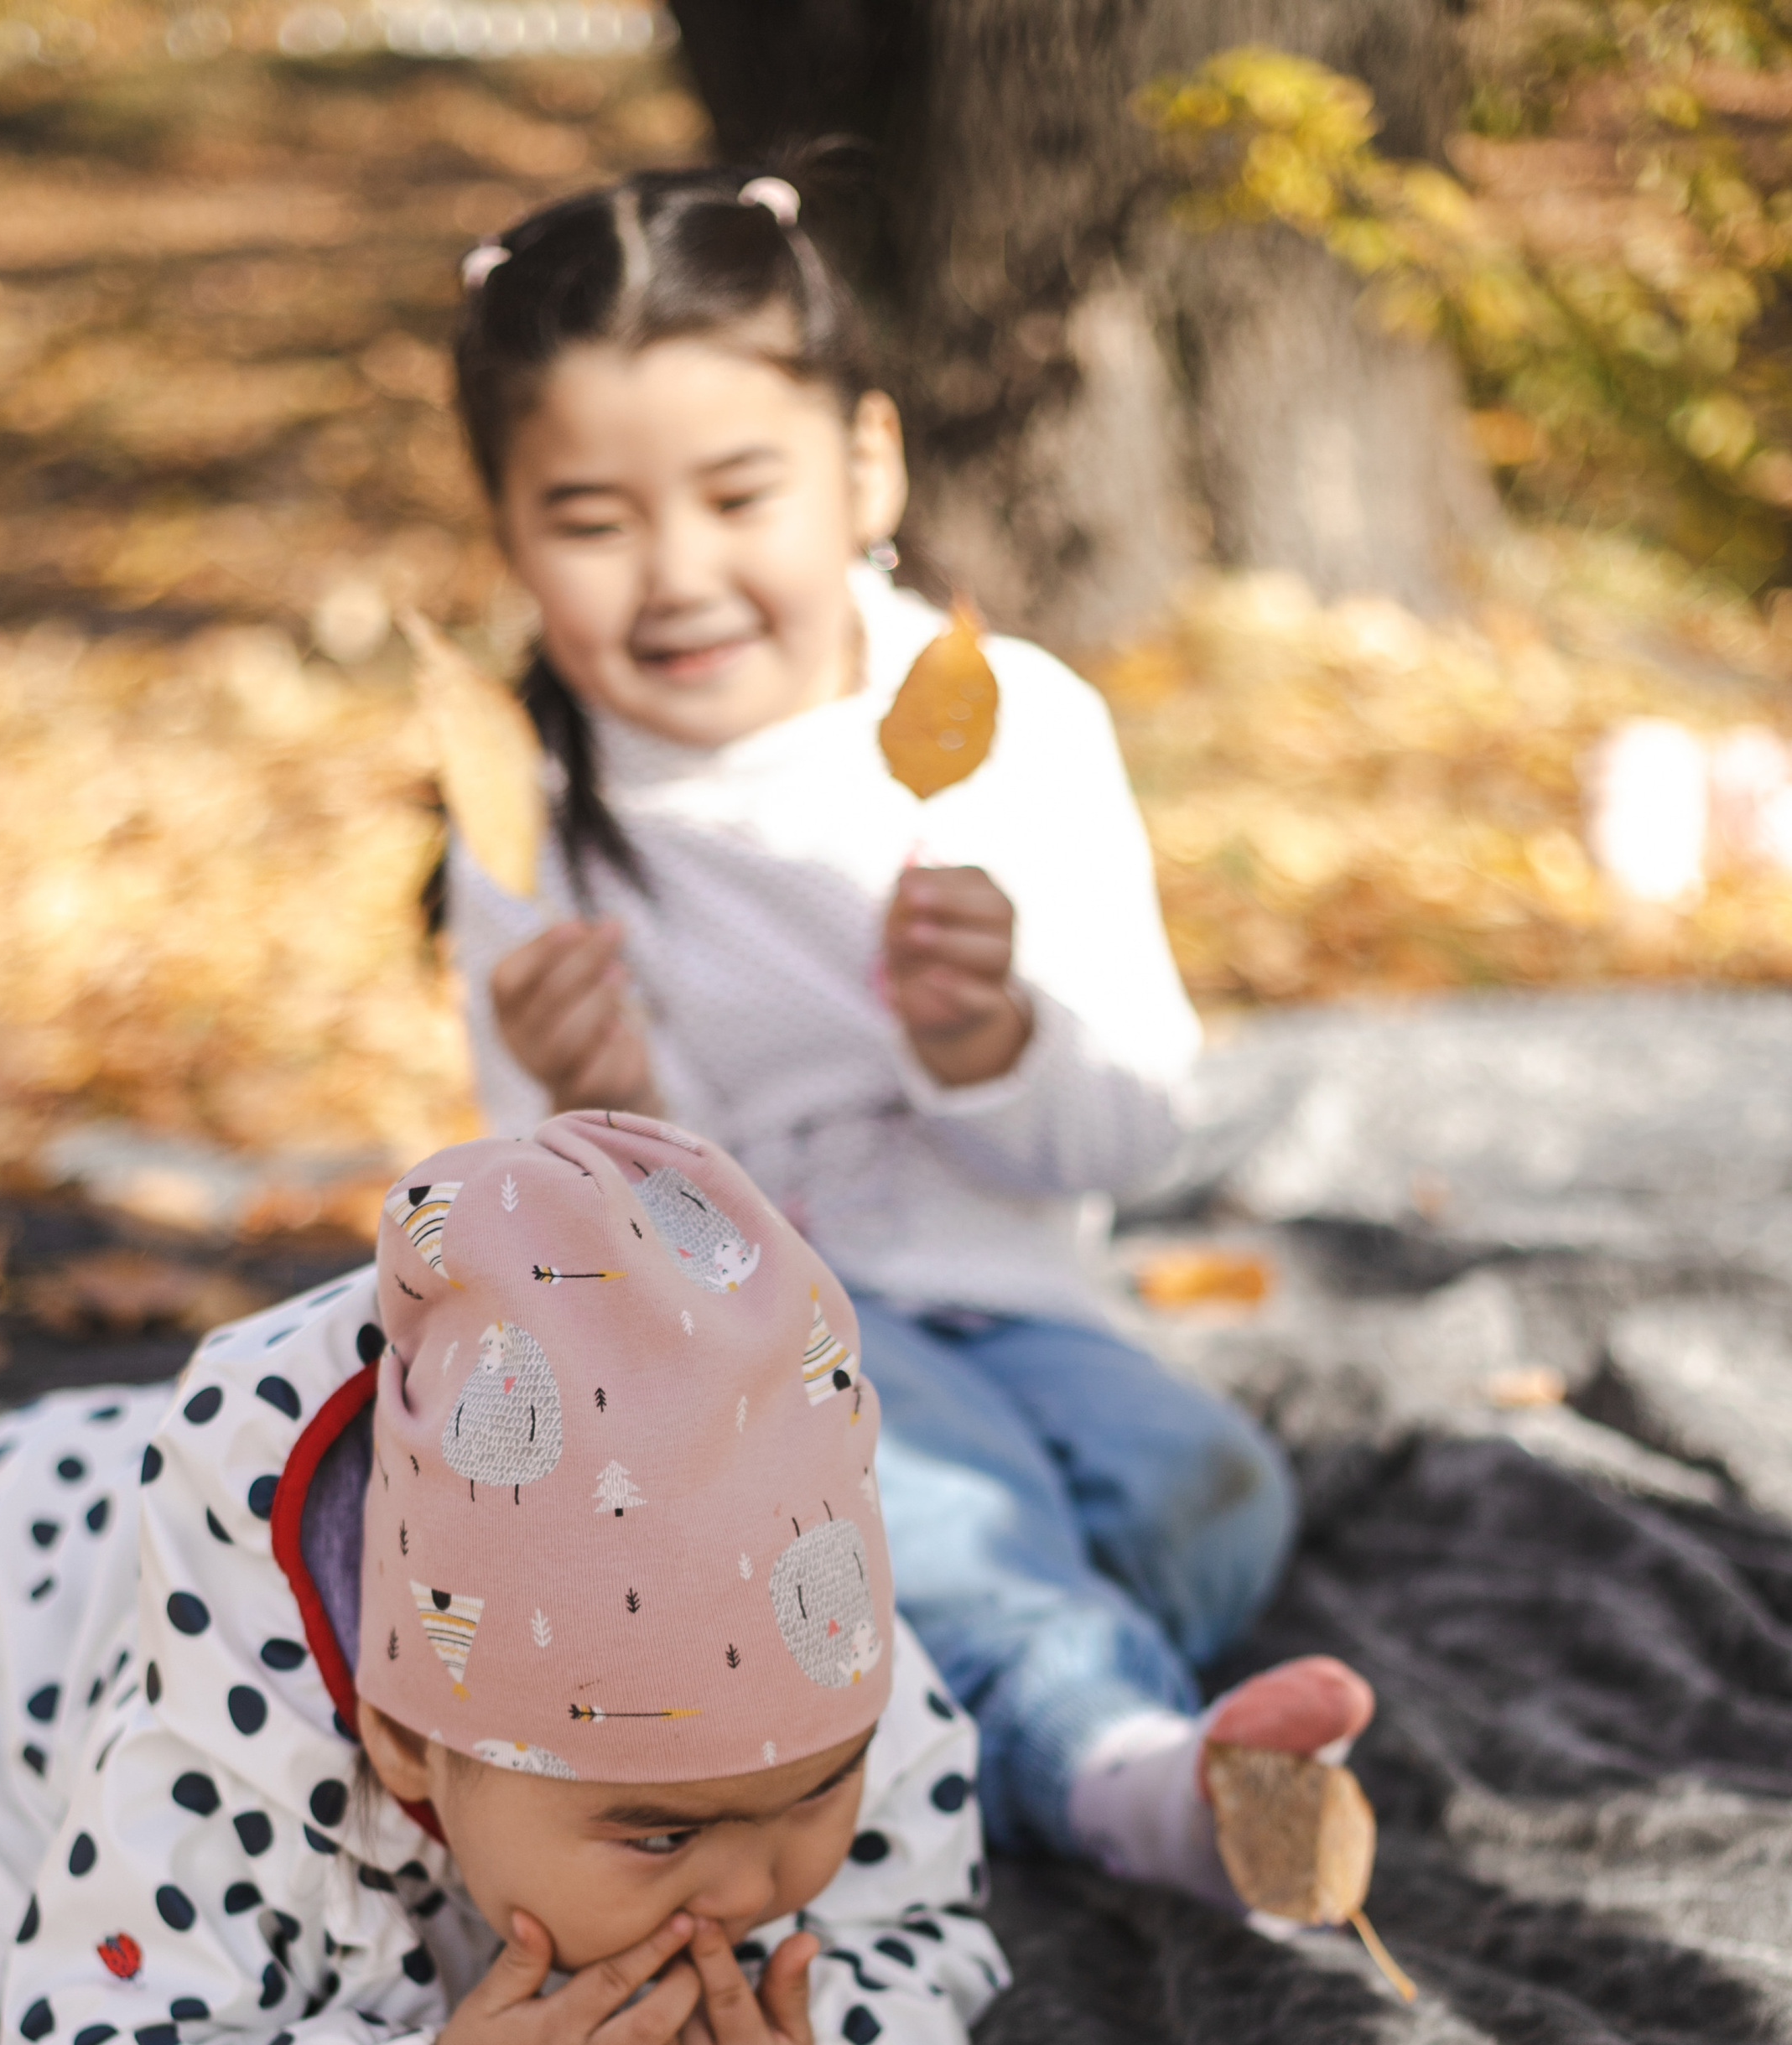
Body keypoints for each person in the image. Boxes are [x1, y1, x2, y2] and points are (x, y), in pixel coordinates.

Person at [442, 166, 1374, 1906]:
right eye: (588, 518)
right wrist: (600, 1116)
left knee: (1208, 1491)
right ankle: (1115, 1769)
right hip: (738, 1366)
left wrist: (994, 1042)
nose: (678, 574)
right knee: (917, 1487)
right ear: (505, 529)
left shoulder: (1007, 728)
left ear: (863, 465)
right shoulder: (529, 831)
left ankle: (869, 1690)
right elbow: (565, 1297)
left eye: (738, 493)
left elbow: (1126, 1139)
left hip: (1013, 1305)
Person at [0, 1116, 1008, 2045]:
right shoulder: (228, 1763)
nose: (756, 1888)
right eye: (661, 1835)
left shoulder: (800, 1638)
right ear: (412, 1749)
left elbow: (927, 1932)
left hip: (79, 1491)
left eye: (818, 1790)